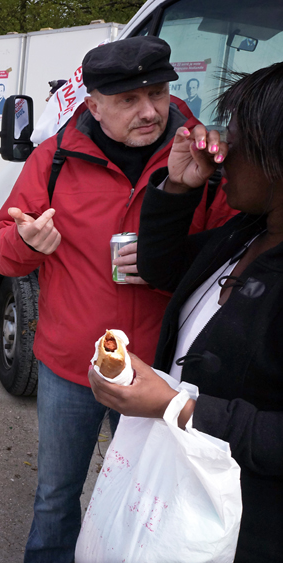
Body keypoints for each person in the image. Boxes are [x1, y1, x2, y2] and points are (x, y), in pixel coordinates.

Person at [0, 36, 235, 562]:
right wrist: (26, 244)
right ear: (93, 105)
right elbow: (1, 253)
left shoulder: (201, 159)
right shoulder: (54, 159)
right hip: (70, 366)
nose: (149, 111)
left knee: (153, 501)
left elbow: (232, 261)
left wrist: (170, 260)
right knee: (55, 498)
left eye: (158, 94)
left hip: (159, 374)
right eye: (128, 100)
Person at [89, 62, 283, 562]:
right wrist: (179, 187)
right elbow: (160, 267)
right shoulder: (246, 233)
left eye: (236, 140)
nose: (222, 153)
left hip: (244, 526)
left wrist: (179, 407)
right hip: (179, 493)